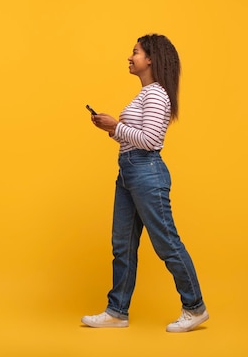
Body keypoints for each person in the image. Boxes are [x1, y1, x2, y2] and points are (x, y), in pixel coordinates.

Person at [82, 34, 208, 333]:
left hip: (146, 173)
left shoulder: (156, 94)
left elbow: (151, 141)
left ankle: (195, 307)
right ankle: (117, 312)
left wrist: (117, 126)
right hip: (128, 172)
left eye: (135, 52)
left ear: (150, 59)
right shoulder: (145, 94)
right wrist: (111, 131)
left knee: (166, 242)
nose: (130, 57)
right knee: (122, 245)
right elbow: (133, 138)